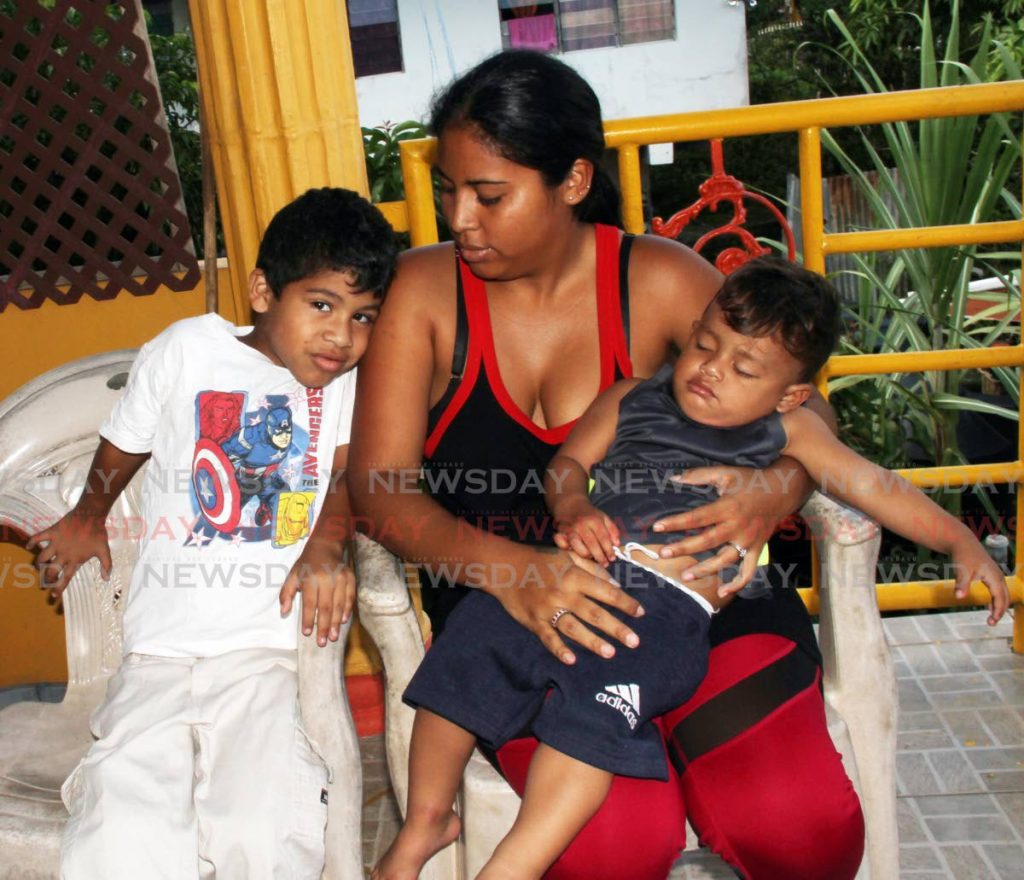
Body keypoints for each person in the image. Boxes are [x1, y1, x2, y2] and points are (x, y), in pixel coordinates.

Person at [349, 50, 863, 879]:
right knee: (609, 848)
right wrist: (515, 573)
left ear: (575, 179)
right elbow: (378, 489)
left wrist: (775, 491)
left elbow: (807, 406)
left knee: (796, 823)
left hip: (698, 602)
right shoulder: (424, 293)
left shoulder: (655, 278)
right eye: (449, 190)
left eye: (488, 195)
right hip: (525, 620)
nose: (459, 220)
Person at [371, 258, 1009, 879]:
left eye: (744, 368)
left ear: (790, 393)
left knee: (589, 727)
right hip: (579, 577)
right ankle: (426, 817)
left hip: (663, 621)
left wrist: (959, 538)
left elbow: (874, 484)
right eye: (705, 345)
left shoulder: (788, 433)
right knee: (471, 641)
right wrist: (573, 507)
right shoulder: (630, 399)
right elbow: (566, 466)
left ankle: (513, 866)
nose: (711, 371)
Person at [28, 187, 398, 879]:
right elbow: (124, 443)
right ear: (263, 289)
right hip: (159, 653)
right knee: (123, 825)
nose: (340, 336)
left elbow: (351, 471)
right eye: (321, 305)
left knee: (264, 829)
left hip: (264, 655)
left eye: (362, 317)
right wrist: (87, 516)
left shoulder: (347, 382)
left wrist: (325, 545)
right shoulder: (185, 350)